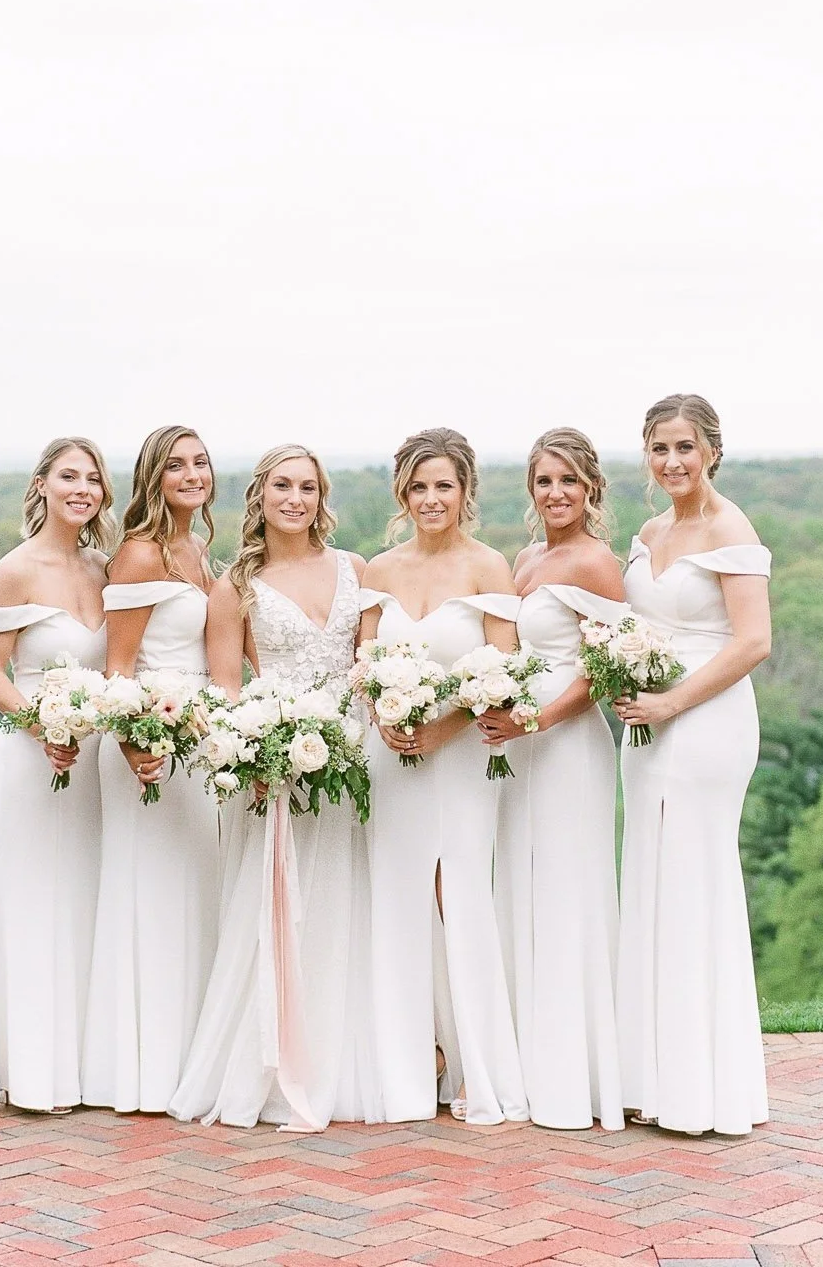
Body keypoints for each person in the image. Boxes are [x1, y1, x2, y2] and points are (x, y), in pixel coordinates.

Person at [169, 445, 380, 1130]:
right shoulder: (236, 586)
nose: (296, 498)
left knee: (350, 908)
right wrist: (260, 755)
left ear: (322, 497)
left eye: (309, 487)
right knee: (280, 910)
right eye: (283, 486)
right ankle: (268, 1067)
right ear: (259, 496)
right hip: (276, 768)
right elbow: (227, 686)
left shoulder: (355, 569)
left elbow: (368, 668)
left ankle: (348, 1065)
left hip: (354, 762)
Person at [359, 428, 528, 1125]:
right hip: (390, 761)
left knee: (458, 891)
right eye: (420, 487)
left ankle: (472, 1063)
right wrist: (385, 716)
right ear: (403, 492)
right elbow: (363, 662)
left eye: (444, 487)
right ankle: (407, 1059)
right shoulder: (376, 570)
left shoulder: (490, 567)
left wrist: (443, 725)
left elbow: (506, 673)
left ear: (465, 493)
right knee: (396, 896)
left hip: (460, 759)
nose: (432, 499)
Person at [614, 393, 772, 1135]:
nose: (672, 461)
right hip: (644, 726)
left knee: (692, 880)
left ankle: (704, 1087)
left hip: (705, 724)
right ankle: (652, 1076)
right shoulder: (648, 531)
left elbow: (752, 643)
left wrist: (673, 704)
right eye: (659, 448)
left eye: (684, 447)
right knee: (650, 878)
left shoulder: (729, 528)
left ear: (711, 449)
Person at [0, 436, 113, 1112]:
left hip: (92, 765)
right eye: (69, 476)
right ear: (43, 486)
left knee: (84, 902)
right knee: (32, 905)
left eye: (92, 478)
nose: (82, 488)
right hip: (31, 760)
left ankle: (81, 1068)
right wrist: (42, 728)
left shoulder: (103, 570)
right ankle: (28, 1072)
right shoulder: (14, 570)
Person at [80, 426, 220, 1113]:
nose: (192, 474)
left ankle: (188, 1061)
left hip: (197, 738)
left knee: (197, 892)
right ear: (152, 479)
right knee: (150, 897)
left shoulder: (198, 550)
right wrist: (136, 738)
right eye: (176, 466)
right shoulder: (137, 556)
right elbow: (117, 667)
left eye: (200, 462)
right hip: (148, 738)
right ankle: (139, 1070)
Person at [491, 426, 626, 1130]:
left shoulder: (597, 563)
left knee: (567, 890)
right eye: (544, 481)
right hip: (518, 746)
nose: (556, 493)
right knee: (520, 882)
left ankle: (576, 1075)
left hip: (566, 744)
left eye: (568, 480)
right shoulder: (526, 558)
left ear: (590, 488)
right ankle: (521, 1061)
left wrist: (536, 721)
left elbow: (604, 673)